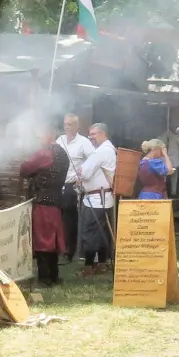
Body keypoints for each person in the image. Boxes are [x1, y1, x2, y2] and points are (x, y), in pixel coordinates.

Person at [21, 121, 71, 285]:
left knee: (42, 241)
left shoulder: (43, 154)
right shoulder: (63, 153)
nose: (37, 137)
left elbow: (24, 169)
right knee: (54, 240)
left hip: (42, 202)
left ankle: (44, 277)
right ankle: (54, 275)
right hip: (56, 202)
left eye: (40, 133)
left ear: (49, 133)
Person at [78, 122, 118, 271]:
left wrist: (81, 171)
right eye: (90, 134)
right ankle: (101, 263)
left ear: (103, 134)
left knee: (90, 233)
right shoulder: (109, 149)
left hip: (96, 199)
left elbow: (85, 173)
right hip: (103, 197)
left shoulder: (101, 151)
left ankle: (89, 266)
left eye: (94, 134)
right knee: (102, 234)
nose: (91, 137)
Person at [57, 114, 92, 264]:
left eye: (70, 124)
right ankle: (60, 248)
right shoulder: (60, 140)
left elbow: (92, 161)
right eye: (65, 124)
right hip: (59, 184)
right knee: (59, 218)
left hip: (73, 185)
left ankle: (69, 251)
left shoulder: (84, 143)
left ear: (77, 126)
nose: (67, 127)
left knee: (70, 219)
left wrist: (81, 176)